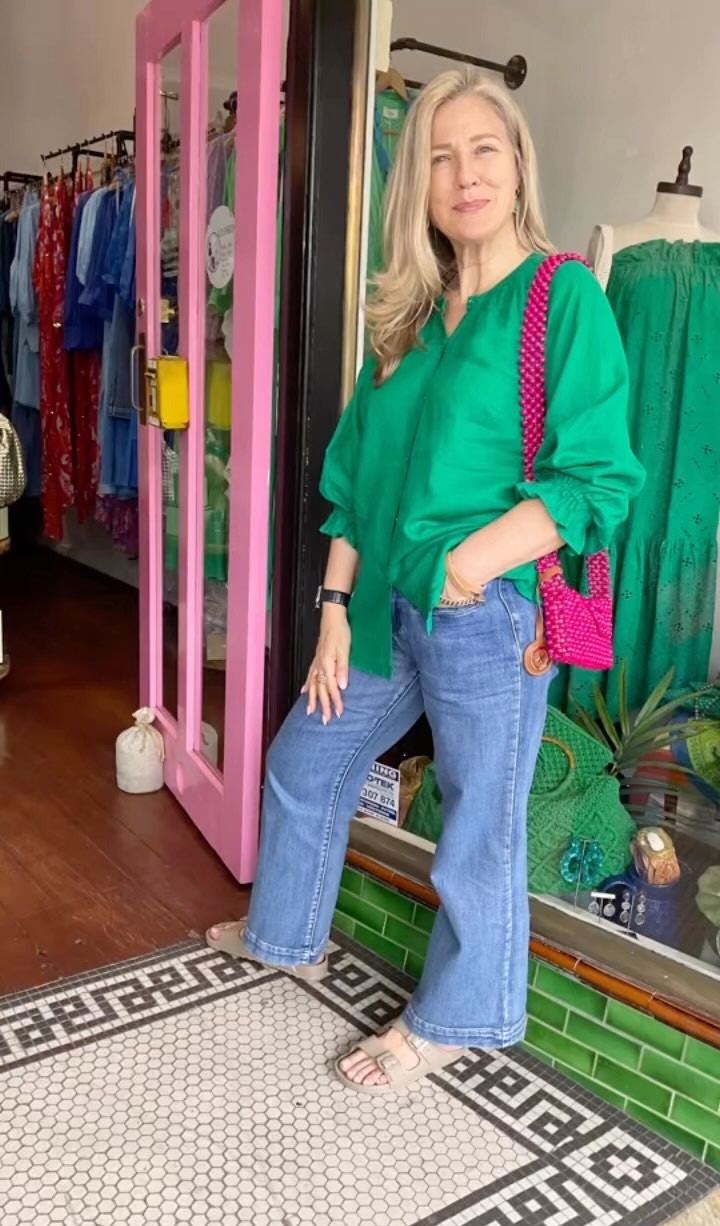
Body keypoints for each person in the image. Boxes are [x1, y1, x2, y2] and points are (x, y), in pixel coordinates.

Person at [207, 68, 645, 1095]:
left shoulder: (559, 296)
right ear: (421, 184)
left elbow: (599, 477)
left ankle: (458, 1016)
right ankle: (286, 937)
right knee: (303, 761)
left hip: (489, 617)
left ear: (517, 162)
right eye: (440, 155)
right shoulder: (406, 318)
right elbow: (358, 483)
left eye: (483, 147)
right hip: (381, 609)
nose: (464, 172)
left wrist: (470, 561)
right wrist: (328, 611)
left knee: (478, 823)